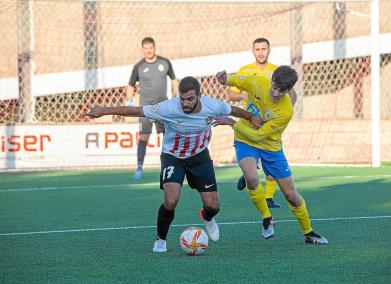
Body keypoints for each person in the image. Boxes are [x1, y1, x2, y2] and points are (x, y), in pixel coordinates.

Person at [87, 76, 262, 252]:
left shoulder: (212, 106)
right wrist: (104, 110)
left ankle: (207, 217)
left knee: (213, 206)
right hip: (173, 156)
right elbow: (137, 111)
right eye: (182, 99)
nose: (185, 103)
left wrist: (251, 117)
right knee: (171, 200)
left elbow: (233, 110)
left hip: (199, 156)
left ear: (199, 96)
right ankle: (160, 239)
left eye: (190, 99)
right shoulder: (168, 107)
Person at [214, 66, 328, 244]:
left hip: (270, 147)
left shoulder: (286, 111)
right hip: (245, 140)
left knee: (291, 196)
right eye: (274, 87)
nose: (275, 93)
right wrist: (225, 80)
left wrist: (231, 122)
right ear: (271, 80)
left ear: (289, 90)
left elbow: (259, 135)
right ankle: (267, 218)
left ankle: (308, 232)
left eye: (281, 91)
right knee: (251, 177)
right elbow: (238, 80)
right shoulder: (258, 81)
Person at [227, 37, 288, 209]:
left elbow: (290, 93)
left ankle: (268, 197)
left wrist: (285, 111)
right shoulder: (245, 70)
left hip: (270, 120)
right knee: (251, 151)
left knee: (272, 154)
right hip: (251, 119)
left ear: (269, 50)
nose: (261, 52)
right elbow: (231, 94)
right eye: (257, 49)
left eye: (264, 49)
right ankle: (249, 175)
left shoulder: (277, 71)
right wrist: (243, 95)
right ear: (253, 51)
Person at [126, 37, 180, 180]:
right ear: (142, 49)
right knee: (143, 137)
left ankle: (167, 167)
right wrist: (129, 101)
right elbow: (130, 85)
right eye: (146, 48)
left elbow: (174, 79)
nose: (148, 51)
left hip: (163, 107)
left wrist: (177, 94)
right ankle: (139, 168)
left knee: (167, 137)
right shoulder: (138, 66)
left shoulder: (165, 62)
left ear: (154, 48)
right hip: (145, 109)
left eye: (150, 48)